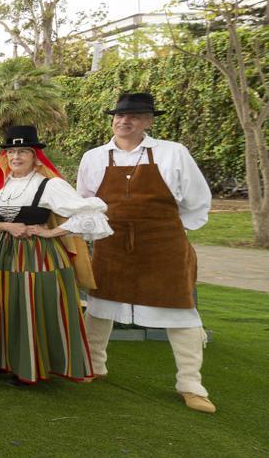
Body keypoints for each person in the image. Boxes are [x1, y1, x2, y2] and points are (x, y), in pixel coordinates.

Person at [75, 93, 216, 413]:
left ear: (149, 121)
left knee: (180, 311)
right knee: (99, 306)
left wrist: (165, 229)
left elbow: (197, 200)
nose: (125, 121)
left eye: (135, 116)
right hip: (111, 245)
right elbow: (84, 202)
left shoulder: (173, 153)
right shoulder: (93, 157)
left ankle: (191, 384)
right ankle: (93, 364)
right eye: (120, 116)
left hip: (164, 245)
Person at [0, 125, 112, 386]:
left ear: (35, 156)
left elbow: (92, 213)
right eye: (11, 151)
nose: (16, 157)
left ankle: (28, 365)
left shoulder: (50, 185)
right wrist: (4, 226)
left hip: (37, 255)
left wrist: (52, 232)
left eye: (23, 151)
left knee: (28, 306)